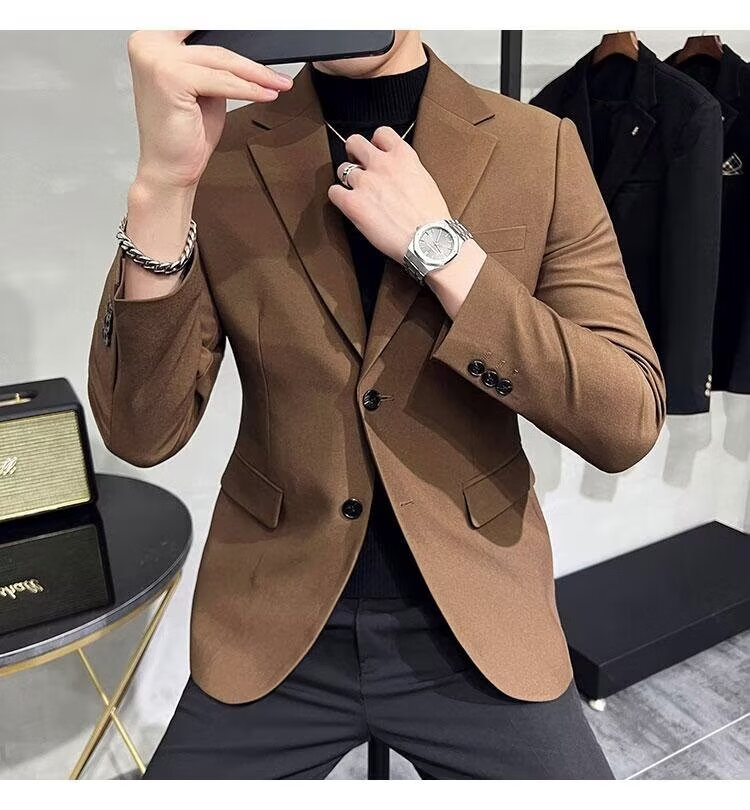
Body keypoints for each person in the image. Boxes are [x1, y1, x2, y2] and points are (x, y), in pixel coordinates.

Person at [87, 29, 666, 779]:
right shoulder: (218, 150)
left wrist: (443, 250)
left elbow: (626, 421)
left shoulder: (537, 147)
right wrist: (163, 185)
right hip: (272, 618)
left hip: (478, 618)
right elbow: (141, 432)